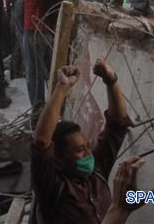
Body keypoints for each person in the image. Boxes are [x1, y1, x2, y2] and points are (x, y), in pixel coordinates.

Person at [32, 62, 131, 224]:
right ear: (58, 158)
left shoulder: (96, 171)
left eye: (88, 147)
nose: (88, 154)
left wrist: (111, 81)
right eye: (79, 150)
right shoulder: (52, 186)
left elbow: (117, 125)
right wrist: (62, 87)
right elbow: (41, 143)